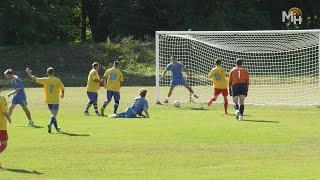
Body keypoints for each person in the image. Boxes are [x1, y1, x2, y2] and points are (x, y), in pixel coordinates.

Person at [25, 67, 65, 133]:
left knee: (53, 115)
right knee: (54, 115)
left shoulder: (45, 80)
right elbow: (62, 88)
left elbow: (34, 79)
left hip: (48, 100)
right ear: (53, 72)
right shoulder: (57, 80)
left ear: (47, 73)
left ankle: (57, 129)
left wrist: (29, 73)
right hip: (55, 100)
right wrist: (62, 95)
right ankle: (49, 124)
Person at [0, 94, 11, 168]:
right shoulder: (1, 98)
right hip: (1, 126)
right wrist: (9, 118)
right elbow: (4, 111)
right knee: (4, 145)